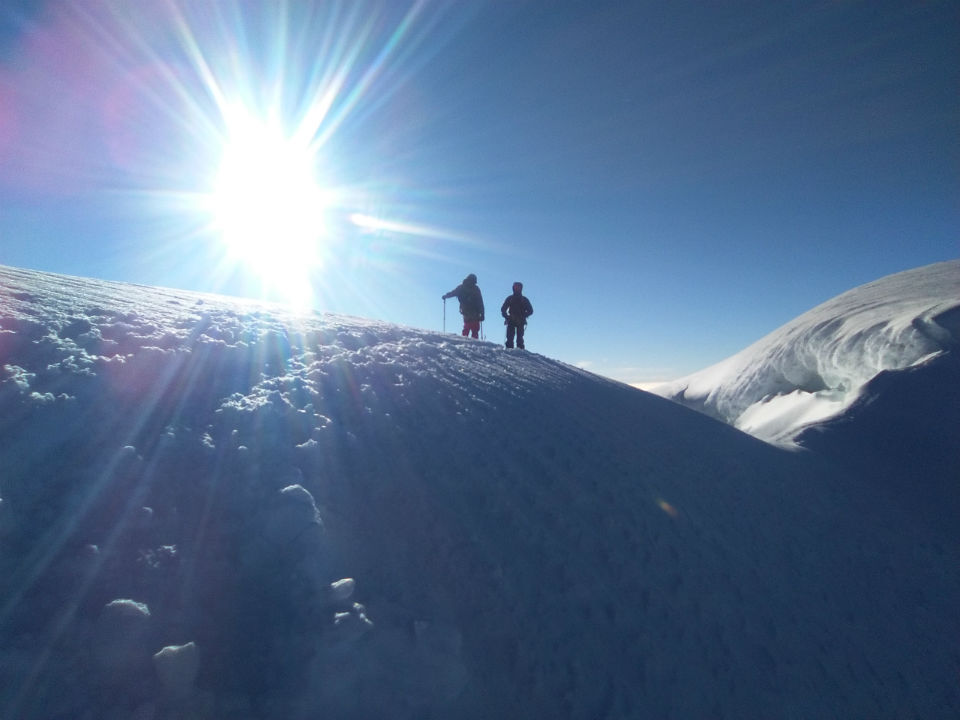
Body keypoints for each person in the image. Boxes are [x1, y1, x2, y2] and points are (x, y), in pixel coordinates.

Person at [442, 273, 485, 338]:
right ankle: (474, 343)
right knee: (474, 329)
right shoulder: (476, 289)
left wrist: (446, 296)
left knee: (467, 327)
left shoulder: (462, 287)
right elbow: (480, 302)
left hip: (466, 310)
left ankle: (464, 342)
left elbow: (453, 293)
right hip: (475, 312)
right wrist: (482, 314)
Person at [501, 281, 533, 349]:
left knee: (514, 338)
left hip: (515, 320)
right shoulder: (523, 299)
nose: (517, 289)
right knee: (516, 338)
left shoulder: (511, 298)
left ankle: (511, 351)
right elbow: (530, 311)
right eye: (516, 287)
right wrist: (524, 315)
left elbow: (503, 309)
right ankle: (519, 352)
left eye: (518, 288)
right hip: (518, 320)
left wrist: (507, 316)